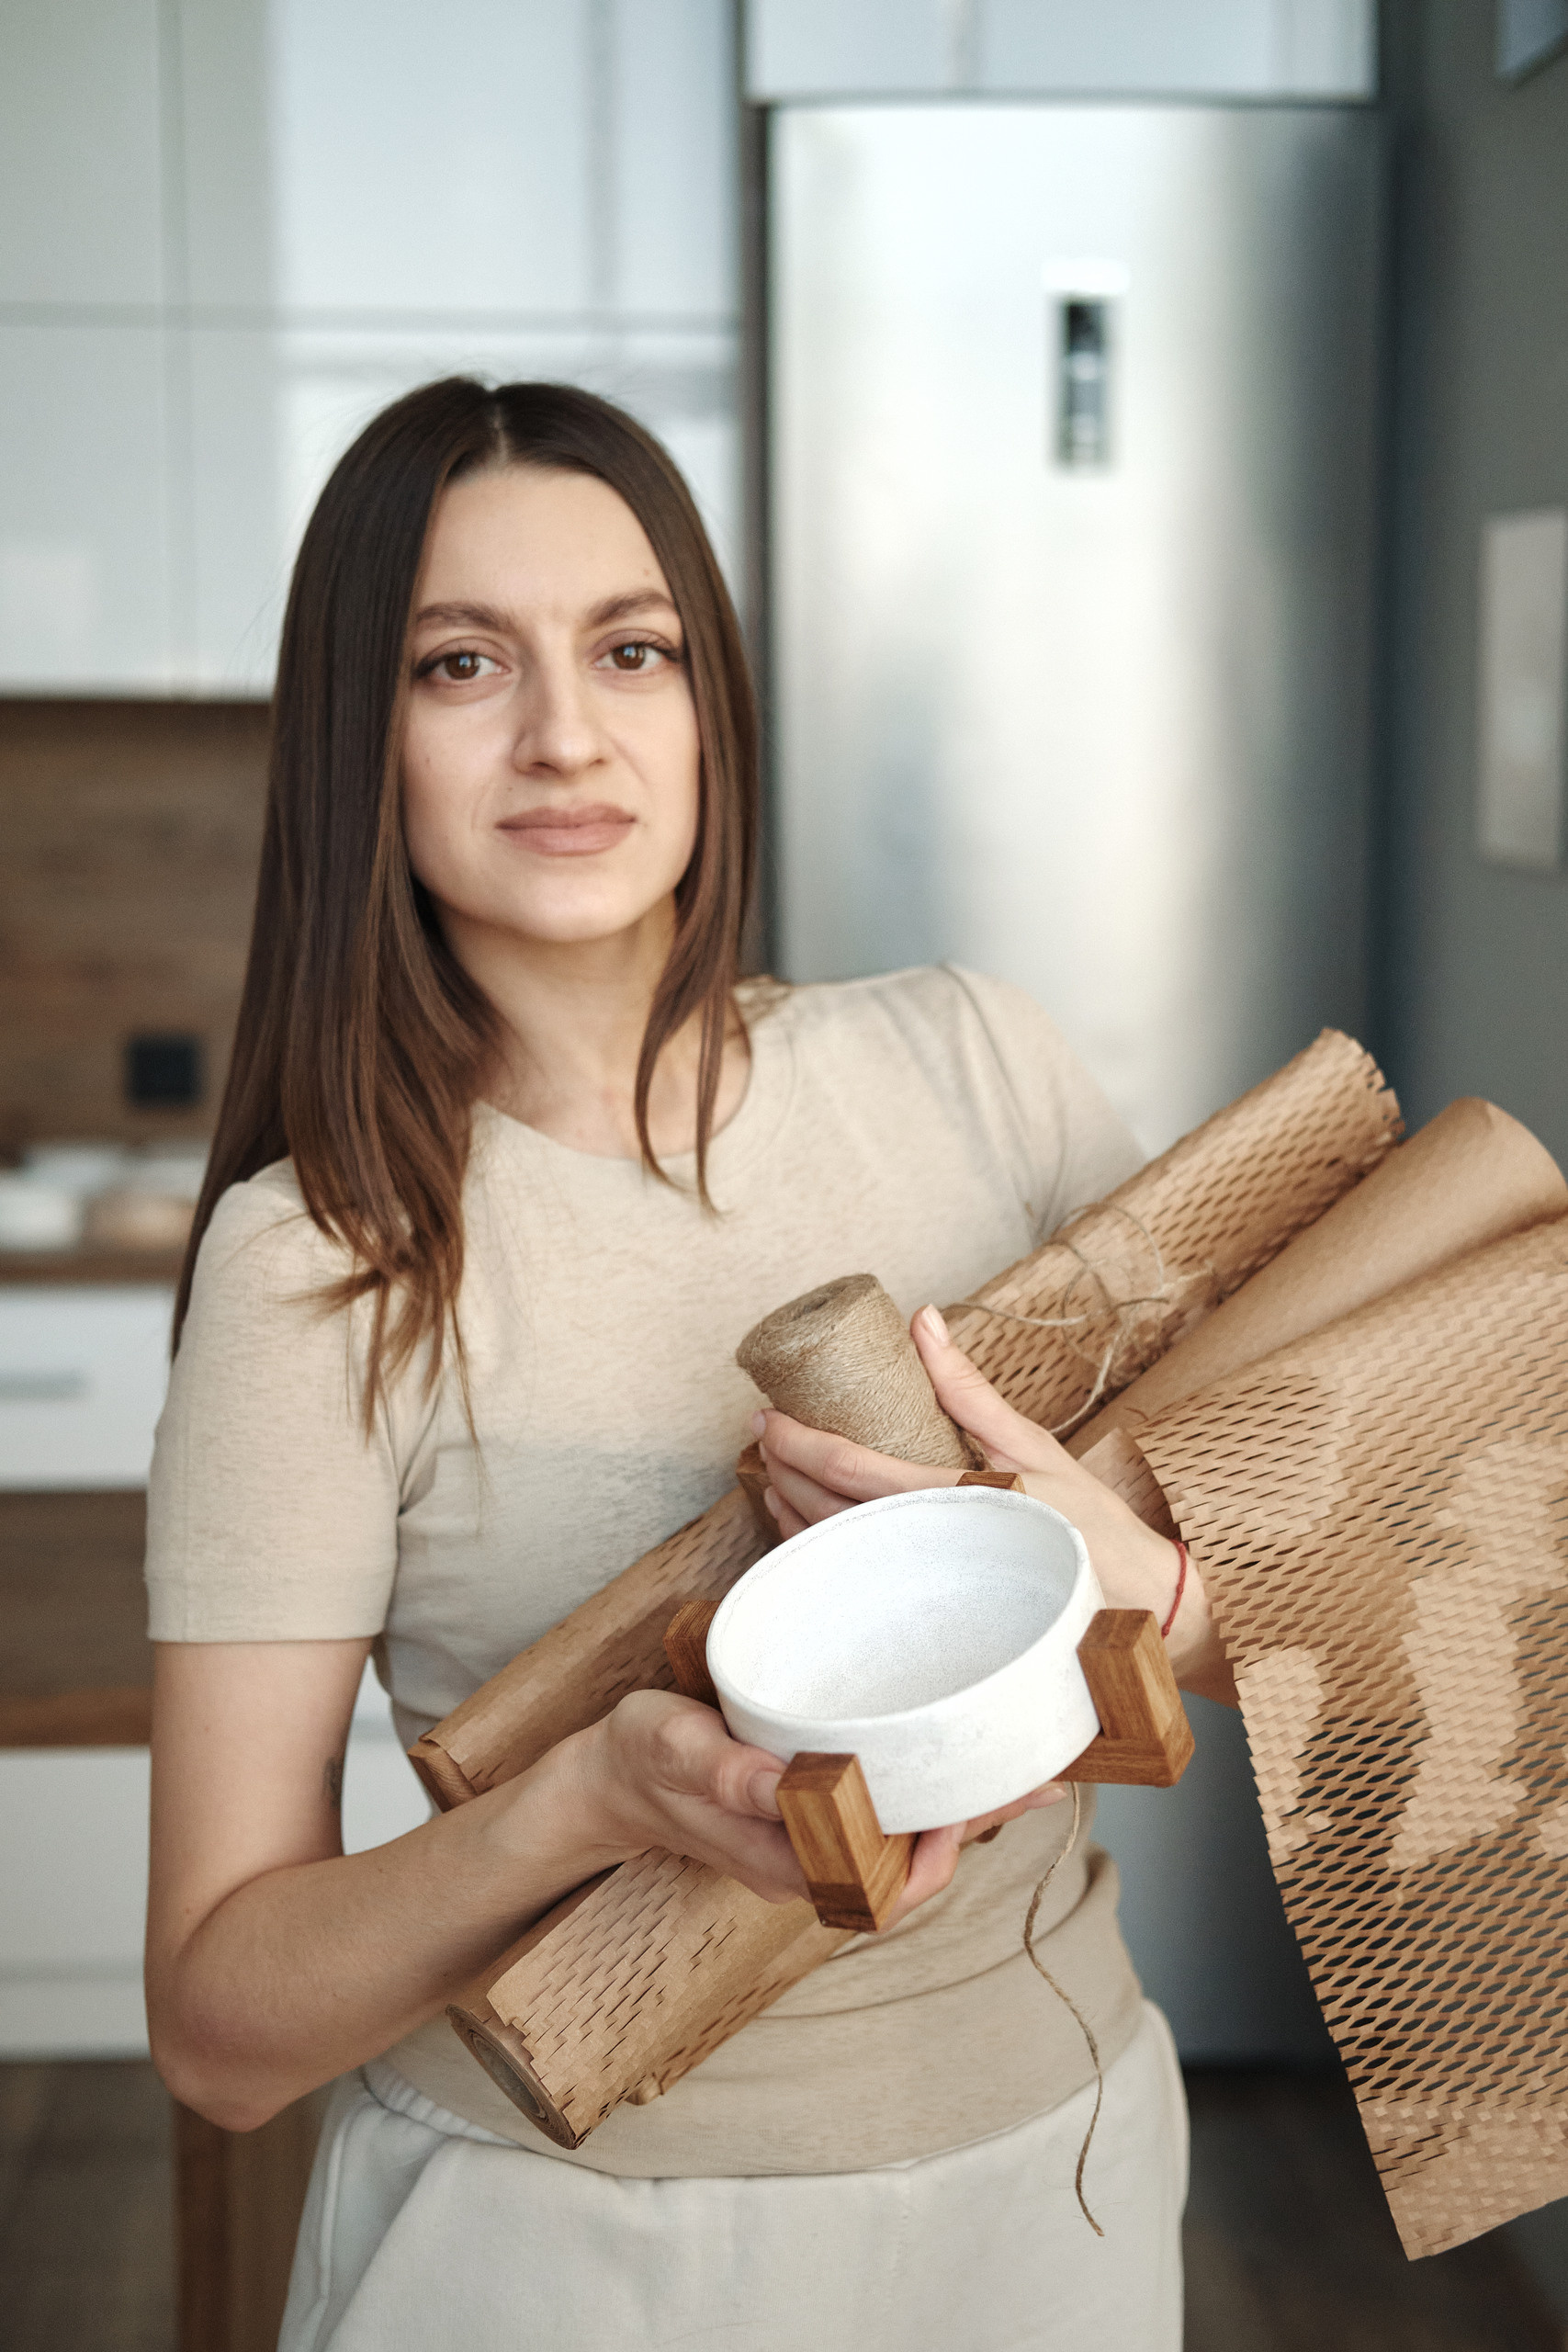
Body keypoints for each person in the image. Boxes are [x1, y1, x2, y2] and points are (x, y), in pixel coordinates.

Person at [144, 378, 1234, 2352]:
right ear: (354, 741)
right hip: (555, 2253)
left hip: (1050, 2190)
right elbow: (221, 2029)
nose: (565, 732)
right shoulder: (321, 1261)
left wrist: (1141, 1573)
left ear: (707, 702)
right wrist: (583, 1802)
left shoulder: (971, 1066)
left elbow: (1322, 1596)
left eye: (628, 648)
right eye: (460, 661)